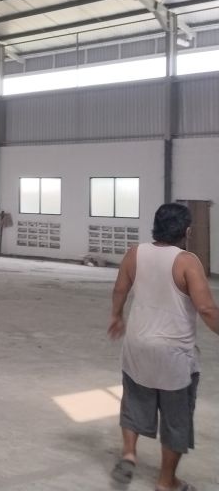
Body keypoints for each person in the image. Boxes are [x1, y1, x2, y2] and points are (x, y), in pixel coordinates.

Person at [108, 203, 219, 491]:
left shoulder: (135, 253)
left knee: (134, 402)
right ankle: (166, 482)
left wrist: (117, 316)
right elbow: (207, 308)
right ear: (187, 231)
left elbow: (120, 289)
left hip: (137, 346)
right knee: (176, 420)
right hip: (173, 355)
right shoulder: (187, 261)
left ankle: (129, 454)